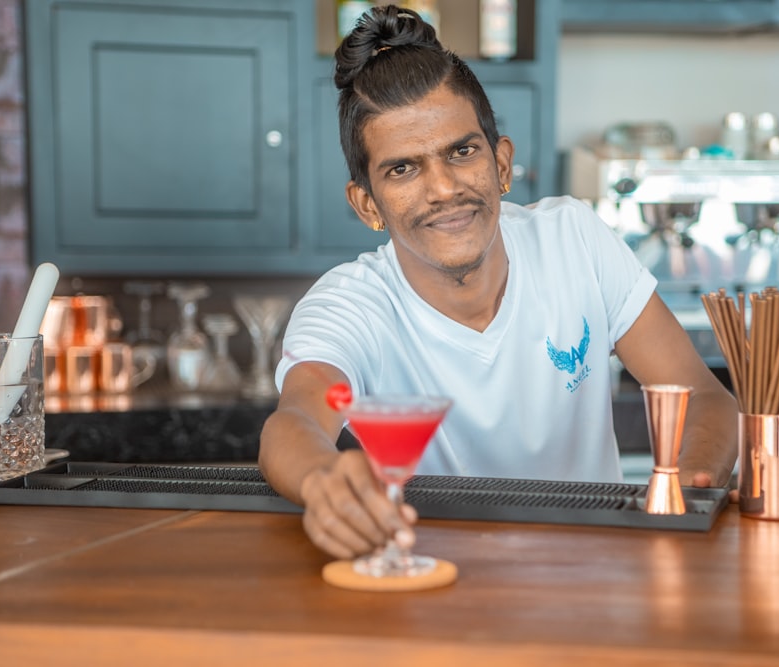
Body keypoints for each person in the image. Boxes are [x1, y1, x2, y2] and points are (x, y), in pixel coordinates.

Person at [259, 5, 738, 560]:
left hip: (600, 590)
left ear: (502, 164)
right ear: (367, 205)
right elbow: (295, 420)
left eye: (461, 152)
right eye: (403, 169)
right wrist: (322, 480)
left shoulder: (574, 240)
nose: (443, 189)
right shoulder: (351, 306)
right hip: (437, 597)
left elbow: (702, 396)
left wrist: (692, 489)